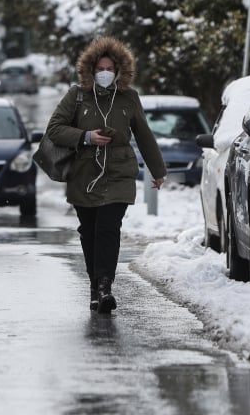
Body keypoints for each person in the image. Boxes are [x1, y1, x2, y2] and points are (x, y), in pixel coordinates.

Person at [45, 35, 167, 313]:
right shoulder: (76, 96)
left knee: (108, 228)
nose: (104, 74)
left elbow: (144, 135)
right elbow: (54, 129)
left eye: (109, 69)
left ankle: (105, 287)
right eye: (99, 69)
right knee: (89, 232)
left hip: (119, 172)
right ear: (90, 70)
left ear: (119, 71)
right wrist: (85, 136)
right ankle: (94, 285)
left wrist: (157, 170)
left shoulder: (129, 98)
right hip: (84, 174)